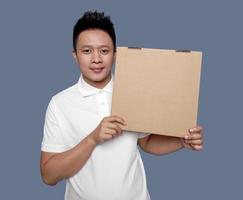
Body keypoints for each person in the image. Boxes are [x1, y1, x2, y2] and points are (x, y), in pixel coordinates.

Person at [40, 10, 203, 200]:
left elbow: (146, 142)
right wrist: (93, 139)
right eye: (87, 51)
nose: (96, 59)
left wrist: (181, 141)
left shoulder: (134, 91)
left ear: (115, 54)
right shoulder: (60, 104)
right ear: (75, 55)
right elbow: (48, 175)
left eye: (104, 50)